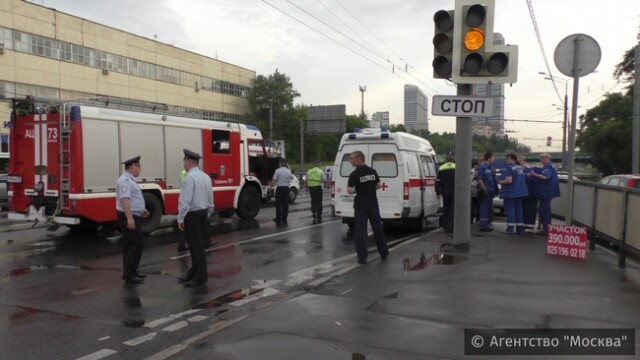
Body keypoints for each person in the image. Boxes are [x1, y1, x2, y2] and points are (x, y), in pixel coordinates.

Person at [177, 149, 214, 287]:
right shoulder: (205, 177)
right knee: (197, 245)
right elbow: (211, 199)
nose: (184, 164)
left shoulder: (189, 178)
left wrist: (180, 218)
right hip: (203, 212)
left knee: (195, 246)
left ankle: (200, 277)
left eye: (184, 162)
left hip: (192, 214)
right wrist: (208, 213)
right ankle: (193, 273)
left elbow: (185, 200)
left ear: (188, 162)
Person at [347, 150, 389, 265]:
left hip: (361, 206)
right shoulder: (372, 171)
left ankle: (362, 258)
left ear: (359, 159)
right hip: (373, 205)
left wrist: (357, 190)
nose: (350, 161)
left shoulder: (354, 174)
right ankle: (384, 253)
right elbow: (378, 185)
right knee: (377, 229)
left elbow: (349, 190)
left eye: (352, 158)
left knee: (361, 232)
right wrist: (369, 189)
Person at [116, 155, 149, 284]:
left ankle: (132, 271)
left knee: (129, 244)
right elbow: (125, 200)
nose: (140, 170)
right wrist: (130, 218)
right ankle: (129, 274)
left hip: (132, 215)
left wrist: (142, 209)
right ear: (133, 166)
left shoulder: (130, 179)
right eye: (139, 167)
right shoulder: (125, 180)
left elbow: (133, 198)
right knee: (137, 243)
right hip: (128, 216)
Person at [529, 153, 560, 236]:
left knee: (544, 211)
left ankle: (546, 230)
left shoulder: (548, 167)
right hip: (547, 191)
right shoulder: (552, 166)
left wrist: (534, 174)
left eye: (541, 158)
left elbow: (545, 177)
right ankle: (546, 228)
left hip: (545, 192)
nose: (540, 160)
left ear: (546, 158)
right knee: (545, 210)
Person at [499, 154, 529, 235]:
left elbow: (509, 181)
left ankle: (510, 229)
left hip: (511, 193)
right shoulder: (520, 168)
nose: (506, 161)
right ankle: (520, 230)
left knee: (510, 211)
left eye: (508, 159)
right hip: (520, 193)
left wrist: (500, 182)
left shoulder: (510, 168)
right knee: (519, 211)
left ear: (513, 159)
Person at [475, 152, 499, 232]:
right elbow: (479, 178)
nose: (494, 159)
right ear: (488, 158)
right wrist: (484, 188)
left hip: (490, 192)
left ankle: (486, 224)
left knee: (488, 209)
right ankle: (483, 226)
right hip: (486, 191)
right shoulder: (483, 167)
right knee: (484, 209)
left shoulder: (490, 167)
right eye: (493, 157)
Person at [435, 154, 455, 233]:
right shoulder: (457, 167)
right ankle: (450, 227)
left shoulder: (441, 168)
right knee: (452, 210)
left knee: (445, 208)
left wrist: (438, 192)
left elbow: (438, 181)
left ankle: (445, 225)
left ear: (445, 160)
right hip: (454, 192)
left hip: (445, 192)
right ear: (453, 160)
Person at [270, 158, 294, 224]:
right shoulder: (288, 171)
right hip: (286, 188)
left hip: (280, 188)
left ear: (280, 163)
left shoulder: (277, 171)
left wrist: (270, 187)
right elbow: (292, 177)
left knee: (278, 204)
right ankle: (284, 217)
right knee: (285, 203)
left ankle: (278, 218)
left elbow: (274, 180)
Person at [518, 155, 537, 232]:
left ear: (524, 161)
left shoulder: (530, 170)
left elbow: (533, 179)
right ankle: (522, 226)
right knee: (521, 210)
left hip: (530, 194)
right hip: (521, 194)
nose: (519, 162)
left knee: (530, 210)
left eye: (521, 160)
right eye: (518, 160)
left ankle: (530, 227)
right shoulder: (515, 170)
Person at [306, 159, 325, 224]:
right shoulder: (321, 171)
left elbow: (306, 180)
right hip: (318, 188)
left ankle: (314, 212)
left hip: (311, 188)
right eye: (320, 163)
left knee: (313, 201)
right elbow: (324, 180)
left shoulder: (309, 171)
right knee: (319, 202)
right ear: (318, 164)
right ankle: (319, 216)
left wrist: (306, 187)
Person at [176, 169, 189, 252]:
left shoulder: (183, 173)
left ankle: (181, 245)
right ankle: (181, 245)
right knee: (184, 226)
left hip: (183, 201)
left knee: (183, 226)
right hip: (185, 203)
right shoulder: (186, 174)